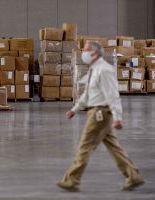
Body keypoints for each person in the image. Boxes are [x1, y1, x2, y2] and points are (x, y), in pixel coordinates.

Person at [56, 41, 145, 192]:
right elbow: (87, 94)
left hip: (100, 114)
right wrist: (75, 109)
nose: (83, 53)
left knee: (85, 146)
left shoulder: (104, 70)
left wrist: (117, 117)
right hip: (98, 112)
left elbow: (113, 95)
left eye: (85, 50)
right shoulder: (94, 69)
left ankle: (72, 180)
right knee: (114, 148)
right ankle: (134, 176)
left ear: (95, 53)